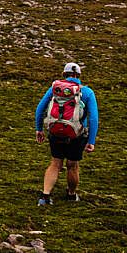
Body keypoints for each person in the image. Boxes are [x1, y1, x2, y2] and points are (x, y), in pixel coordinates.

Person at [34, 62, 99, 205]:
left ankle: (45, 196)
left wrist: (39, 129)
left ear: (64, 75)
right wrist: (91, 141)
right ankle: (71, 194)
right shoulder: (87, 92)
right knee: (72, 164)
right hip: (76, 135)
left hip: (55, 132)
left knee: (55, 163)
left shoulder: (54, 89)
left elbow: (40, 109)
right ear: (79, 76)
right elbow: (93, 118)